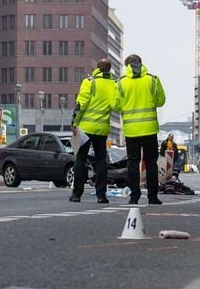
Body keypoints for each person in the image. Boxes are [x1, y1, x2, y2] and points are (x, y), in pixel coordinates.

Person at [116, 52, 167, 205]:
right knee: (151, 163)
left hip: (131, 130)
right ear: (140, 63)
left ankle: (134, 196)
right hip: (149, 129)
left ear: (127, 66)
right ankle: (152, 196)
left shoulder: (121, 83)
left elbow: (115, 104)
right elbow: (161, 101)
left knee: (132, 163)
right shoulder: (152, 80)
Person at [68, 57, 118, 204]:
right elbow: (115, 105)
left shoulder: (89, 81)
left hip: (85, 127)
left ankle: (77, 193)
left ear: (97, 68)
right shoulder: (113, 84)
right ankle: (101, 195)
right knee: (101, 160)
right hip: (102, 128)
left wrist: (74, 123)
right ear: (109, 69)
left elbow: (81, 104)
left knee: (80, 159)